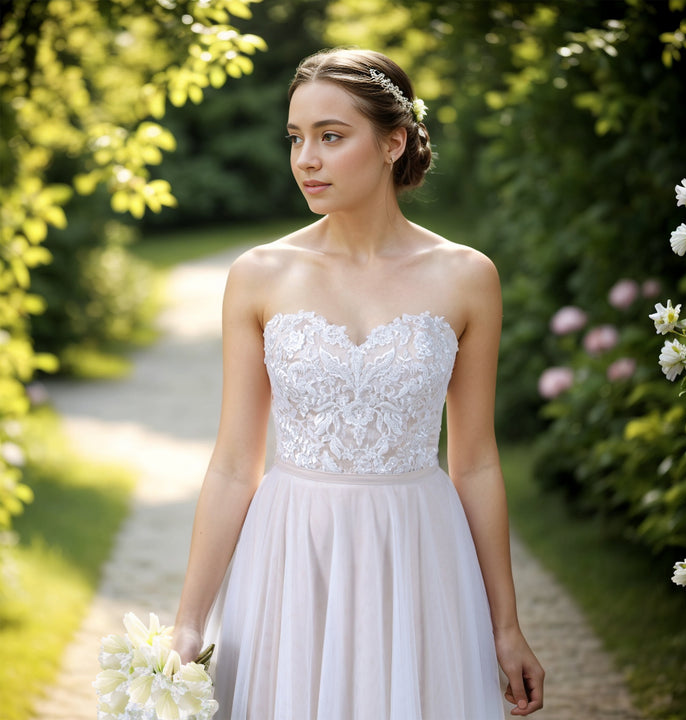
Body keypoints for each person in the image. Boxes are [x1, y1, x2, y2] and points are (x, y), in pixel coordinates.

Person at [172, 48, 544, 719]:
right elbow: (233, 465)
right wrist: (188, 622)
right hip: (292, 551)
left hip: (417, 549)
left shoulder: (466, 277)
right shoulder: (259, 275)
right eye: (296, 138)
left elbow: (478, 461)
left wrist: (506, 626)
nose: (305, 159)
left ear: (393, 142)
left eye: (331, 136)